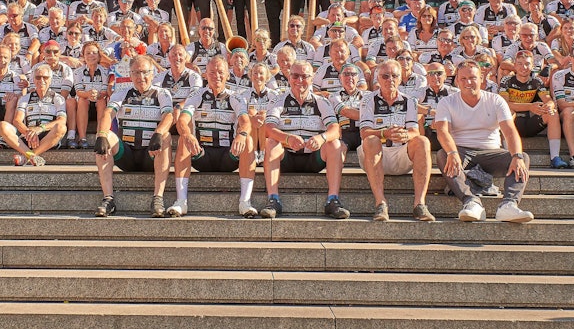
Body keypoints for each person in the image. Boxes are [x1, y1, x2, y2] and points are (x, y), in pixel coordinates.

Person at [433, 60, 535, 223]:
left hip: (491, 152)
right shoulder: (447, 102)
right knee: (443, 155)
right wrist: (452, 152)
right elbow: (442, 131)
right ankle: (471, 202)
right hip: (462, 152)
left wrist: (516, 156)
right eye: (463, 78)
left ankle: (509, 205)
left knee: (522, 157)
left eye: (472, 78)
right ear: (457, 81)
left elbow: (510, 131)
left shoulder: (495, 100)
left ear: (481, 78)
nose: (468, 82)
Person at [260, 58, 348, 220]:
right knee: (271, 142)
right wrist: (287, 138)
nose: (299, 80)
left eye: (304, 76)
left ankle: (333, 200)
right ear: (289, 77)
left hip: (313, 157)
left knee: (335, 144)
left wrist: (321, 138)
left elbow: (336, 129)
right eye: (295, 76)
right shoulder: (278, 100)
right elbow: (268, 128)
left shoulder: (321, 101)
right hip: (287, 157)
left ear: (312, 78)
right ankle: (273, 200)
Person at [171, 56, 256, 217]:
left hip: (228, 155)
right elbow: (182, 120)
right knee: (183, 138)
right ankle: (181, 201)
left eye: (220, 72)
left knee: (248, 140)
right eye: (212, 72)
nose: (216, 76)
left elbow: (246, 122)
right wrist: (188, 134)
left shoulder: (236, 97)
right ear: (205, 75)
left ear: (228, 75)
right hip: (202, 154)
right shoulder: (196, 95)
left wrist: (242, 134)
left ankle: (245, 202)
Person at [93, 54, 174, 217]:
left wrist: (158, 132)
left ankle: (158, 198)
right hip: (127, 154)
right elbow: (108, 112)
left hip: (150, 153)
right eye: (136, 72)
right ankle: (108, 199)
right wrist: (101, 134)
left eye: (144, 72)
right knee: (104, 136)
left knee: (166, 136)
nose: (140, 77)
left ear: (152, 74)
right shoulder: (122, 92)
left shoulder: (162, 93)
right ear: (130, 75)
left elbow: (169, 115)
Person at [359, 59, 435, 222]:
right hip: (375, 153)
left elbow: (414, 131)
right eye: (385, 76)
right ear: (377, 79)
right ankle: (381, 203)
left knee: (422, 141)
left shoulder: (410, 101)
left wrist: (406, 135)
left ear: (400, 78)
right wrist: (384, 133)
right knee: (371, 140)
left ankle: (420, 204)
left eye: (394, 76)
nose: (390, 80)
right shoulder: (367, 100)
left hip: (401, 153)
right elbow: (364, 133)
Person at [0, 63, 68, 166]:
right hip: (27, 134)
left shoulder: (58, 98)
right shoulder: (25, 98)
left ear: (50, 80)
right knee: (2, 126)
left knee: (61, 127)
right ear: (33, 80)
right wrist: (29, 133)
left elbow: (61, 120)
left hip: (47, 135)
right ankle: (32, 156)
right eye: (38, 77)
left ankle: (27, 157)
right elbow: (17, 121)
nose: (41, 80)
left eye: (45, 77)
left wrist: (40, 128)